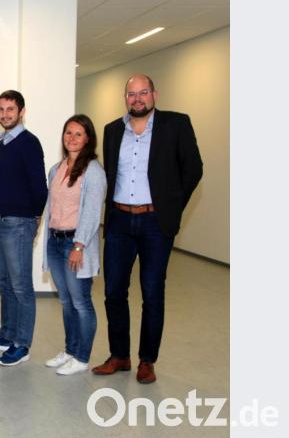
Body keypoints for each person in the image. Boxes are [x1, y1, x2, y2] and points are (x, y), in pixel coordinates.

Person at [92, 74, 203, 384]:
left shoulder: (176, 124)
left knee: (153, 292)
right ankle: (120, 356)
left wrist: (171, 206)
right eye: (131, 93)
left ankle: (147, 360)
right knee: (114, 291)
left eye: (143, 92)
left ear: (154, 94)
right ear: (125, 97)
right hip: (119, 222)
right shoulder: (113, 130)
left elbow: (193, 169)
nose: (137, 98)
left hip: (156, 222)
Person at [0, 89, 47, 367]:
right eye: (1, 109)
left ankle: (22, 343)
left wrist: (33, 220)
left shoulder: (29, 143)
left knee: (21, 286)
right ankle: (7, 335)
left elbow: (39, 187)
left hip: (19, 223)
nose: (5, 114)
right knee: (5, 283)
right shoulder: (2, 144)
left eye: (10, 109)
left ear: (21, 112)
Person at [41, 114, 106, 375]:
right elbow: (51, 208)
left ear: (88, 138)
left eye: (78, 133)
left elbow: (92, 211)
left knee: (81, 302)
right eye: (68, 132)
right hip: (55, 242)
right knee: (66, 302)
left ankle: (81, 357)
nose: (72, 138)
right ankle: (69, 350)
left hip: (75, 245)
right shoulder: (56, 170)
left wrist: (79, 246)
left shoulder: (93, 171)